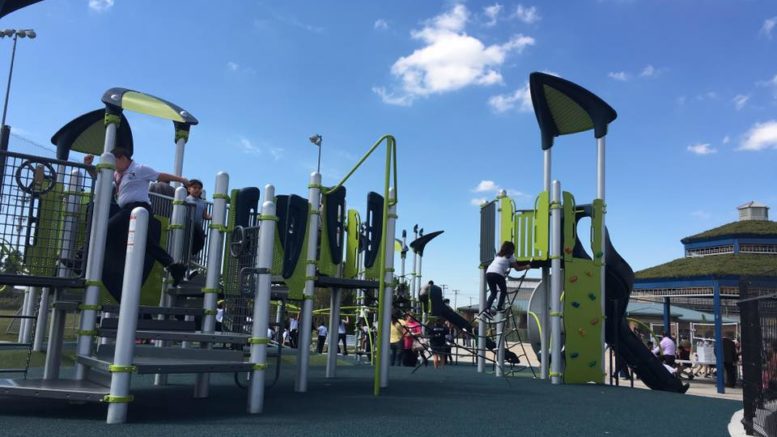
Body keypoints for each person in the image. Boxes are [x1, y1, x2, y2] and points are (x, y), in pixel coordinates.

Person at [105, 148, 189, 286]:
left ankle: (81, 255)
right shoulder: (118, 174)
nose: (113, 166)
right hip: (126, 209)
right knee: (149, 244)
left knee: (107, 228)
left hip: (138, 208)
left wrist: (181, 180)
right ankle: (175, 267)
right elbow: (102, 180)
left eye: (114, 162)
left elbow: (160, 176)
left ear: (123, 158)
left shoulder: (139, 169)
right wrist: (89, 167)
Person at [484, 241, 529, 316]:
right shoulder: (511, 257)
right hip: (498, 274)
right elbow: (517, 268)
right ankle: (499, 307)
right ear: (511, 250)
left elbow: (502, 264)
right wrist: (526, 267)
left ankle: (487, 309)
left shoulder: (498, 255)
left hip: (489, 273)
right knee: (503, 290)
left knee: (493, 293)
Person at [185, 178, 211, 257]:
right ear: (189, 189)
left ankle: (192, 255)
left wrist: (216, 217)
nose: (197, 190)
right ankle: (187, 255)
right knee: (187, 242)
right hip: (187, 224)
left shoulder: (203, 202)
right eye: (195, 187)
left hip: (197, 225)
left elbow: (205, 216)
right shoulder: (185, 200)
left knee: (200, 240)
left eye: (199, 188)